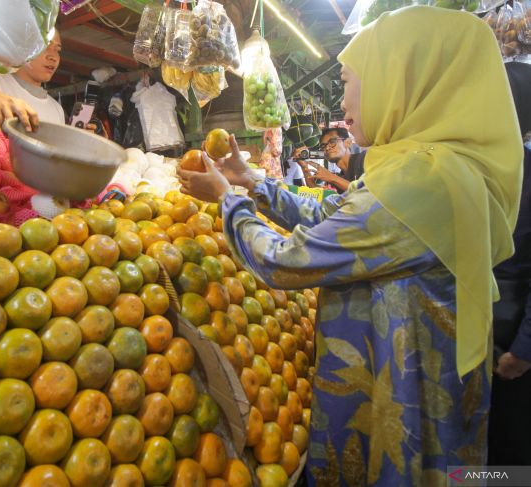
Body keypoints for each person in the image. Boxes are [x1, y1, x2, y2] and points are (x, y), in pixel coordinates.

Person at [177, 6, 522, 484]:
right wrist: (253, 181)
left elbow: (284, 262)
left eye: (348, 80)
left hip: (403, 384)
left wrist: (228, 199)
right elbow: (333, 218)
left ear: (398, 78)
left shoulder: (419, 184)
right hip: (420, 367)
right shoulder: (428, 166)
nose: (342, 103)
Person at [488, 61, 531, 466]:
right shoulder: (473, 169)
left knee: (510, 457)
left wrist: (523, 350)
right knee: (473, 460)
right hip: (475, 342)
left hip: (511, 345)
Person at [300, 127, 365, 192]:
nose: (327, 148)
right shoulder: (340, 177)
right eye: (323, 146)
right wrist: (304, 167)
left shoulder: (364, 159)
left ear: (348, 142)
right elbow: (316, 192)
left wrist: (331, 177)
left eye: (332, 142)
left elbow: (367, 191)